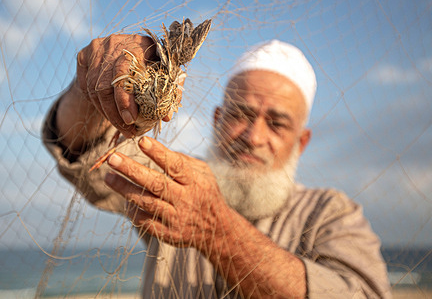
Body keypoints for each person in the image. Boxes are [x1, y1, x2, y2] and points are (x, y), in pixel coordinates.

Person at [43, 33, 392, 298]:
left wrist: (215, 231)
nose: (253, 136)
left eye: (277, 123)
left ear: (301, 142)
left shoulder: (331, 214)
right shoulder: (176, 183)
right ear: (217, 120)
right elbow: (87, 151)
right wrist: (91, 85)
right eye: (240, 115)